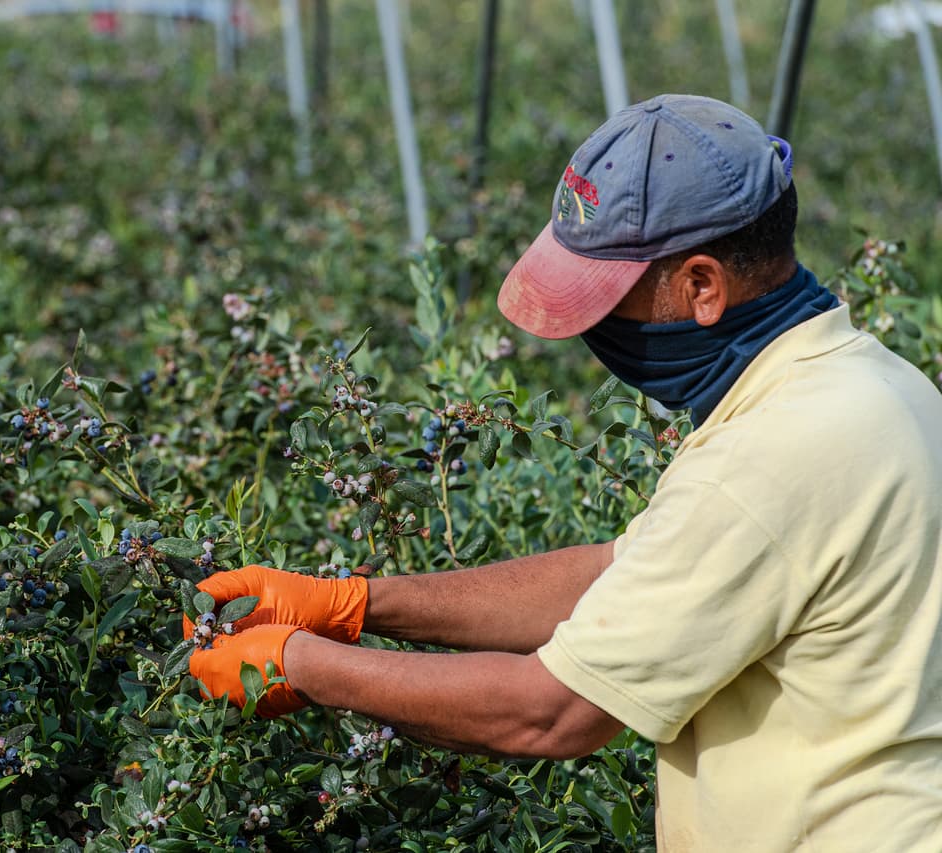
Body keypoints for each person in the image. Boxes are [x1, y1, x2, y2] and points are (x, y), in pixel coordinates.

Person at [186, 94, 942, 850]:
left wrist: (303, 664)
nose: (596, 331)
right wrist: (353, 603)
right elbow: (624, 577)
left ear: (702, 285)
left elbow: (548, 711)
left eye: (611, 299)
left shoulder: (769, 459)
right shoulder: (877, 387)